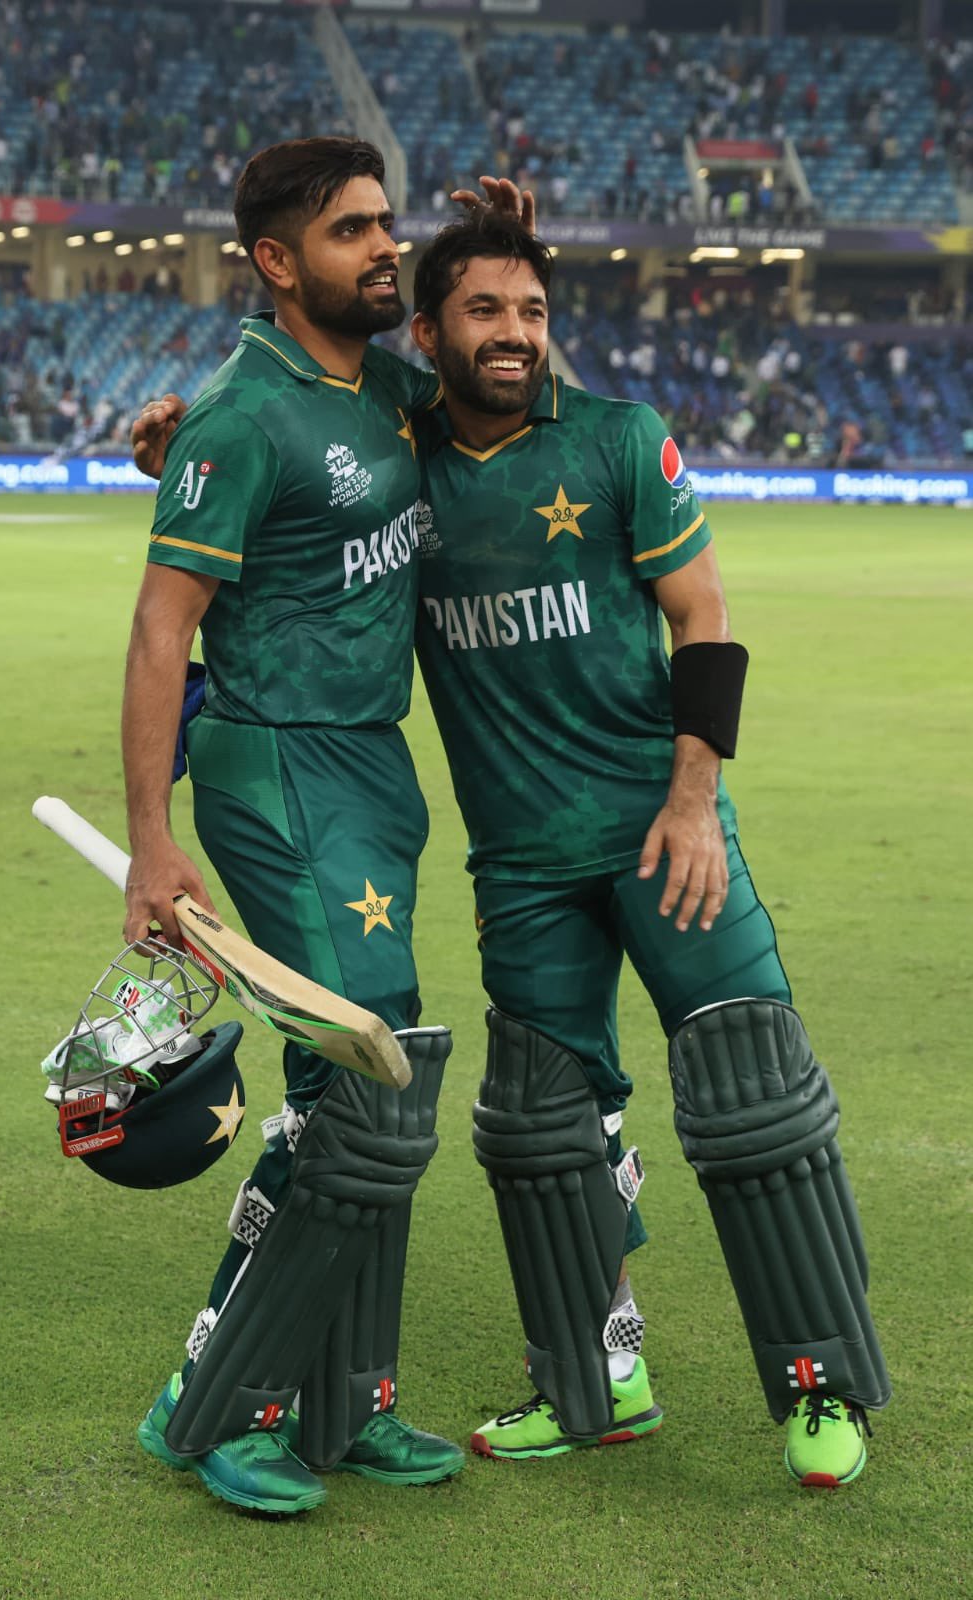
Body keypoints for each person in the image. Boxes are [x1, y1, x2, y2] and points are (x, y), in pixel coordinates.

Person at [401, 213, 890, 1487]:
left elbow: (705, 622)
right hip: (521, 864)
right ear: (428, 332)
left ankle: (822, 1389)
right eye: (485, 311)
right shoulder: (400, 460)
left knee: (752, 1095)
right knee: (539, 1132)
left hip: (660, 829)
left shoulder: (618, 439)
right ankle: (596, 1378)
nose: (515, 334)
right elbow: (302, 419)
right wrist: (181, 438)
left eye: (532, 311)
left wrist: (692, 800)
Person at [121, 137, 469, 1517]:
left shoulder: (387, 388)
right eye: (350, 231)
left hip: (371, 765)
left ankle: (349, 1400)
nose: (384, 247)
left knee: (371, 1080)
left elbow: (503, 387)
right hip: (273, 763)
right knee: (366, 1077)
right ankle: (212, 1403)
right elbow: (162, 632)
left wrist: (505, 256)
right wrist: (151, 842)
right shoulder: (238, 415)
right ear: (276, 261)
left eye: (387, 223)